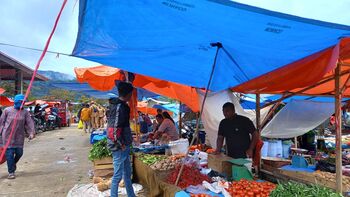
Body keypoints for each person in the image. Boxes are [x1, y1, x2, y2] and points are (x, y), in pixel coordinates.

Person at [107, 82, 136, 197]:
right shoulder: (119, 107)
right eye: (131, 94)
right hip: (119, 146)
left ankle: (131, 195)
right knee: (117, 176)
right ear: (128, 94)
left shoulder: (122, 106)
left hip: (124, 145)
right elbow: (113, 129)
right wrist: (120, 143)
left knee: (127, 174)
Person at [0, 94, 35, 179]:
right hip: (7, 136)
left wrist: (31, 132)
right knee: (9, 154)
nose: (22, 103)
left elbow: (29, 123)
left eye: (23, 102)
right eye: (20, 102)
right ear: (16, 102)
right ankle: (11, 172)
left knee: (19, 153)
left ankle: (13, 164)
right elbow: (1, 122)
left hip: (19, 136)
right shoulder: (7, 110)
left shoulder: (25, 112)